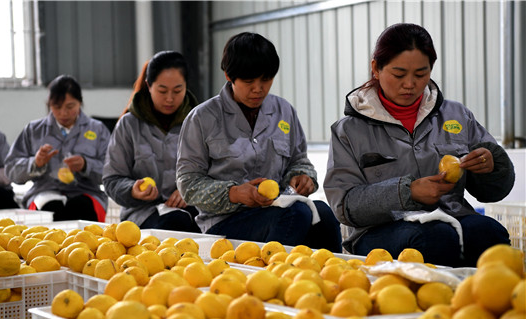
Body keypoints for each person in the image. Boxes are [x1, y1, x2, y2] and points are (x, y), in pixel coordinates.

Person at [324, 23, 514, 267]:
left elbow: (496, 191)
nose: (410, 84)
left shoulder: (456, 115)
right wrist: (407, 192)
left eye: (421, 74)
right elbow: (345, 205)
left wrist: (491, 166)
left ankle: (484, 299)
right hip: (380, 231)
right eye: (399, 74)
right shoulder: (349, 130)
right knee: (433, 238)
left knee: (489, 233)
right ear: (376, 69)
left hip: (453, 217)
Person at [177, 32, 342, 251]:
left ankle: (333, 279)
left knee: (323, 213)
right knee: (297, 214)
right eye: (248, 81)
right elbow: (188, 185)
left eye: (266, 79)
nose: (258, 88)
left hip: (279, 210)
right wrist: (234, 193)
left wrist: (303, 178)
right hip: (224, 226)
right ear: (228, 75)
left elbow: (299, 160)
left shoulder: (284, 111)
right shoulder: (202, 119)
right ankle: (270, 279)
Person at [103, 51, 201, 232]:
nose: (170, 98)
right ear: (148, 85)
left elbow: (217, 172)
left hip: (193, 210)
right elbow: (112, 179)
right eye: (162, 91)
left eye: (177, 90)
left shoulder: (199, 122)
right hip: (143, 214)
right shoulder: (129, 125)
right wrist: (133, 189)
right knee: (172, 227)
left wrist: (191, 191)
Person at [5, 75, 110, 222]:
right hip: (44, 192)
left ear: (80, 102)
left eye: (70, 106)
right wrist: (35, 163)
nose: (63, 113)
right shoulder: (34, 130)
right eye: (57, 107)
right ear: (49, 105)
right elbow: (11, 170)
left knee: (82, 210)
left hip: (87, 193)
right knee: (49, 213)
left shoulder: (98, 130)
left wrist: (86, 165)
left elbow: (112, 171)